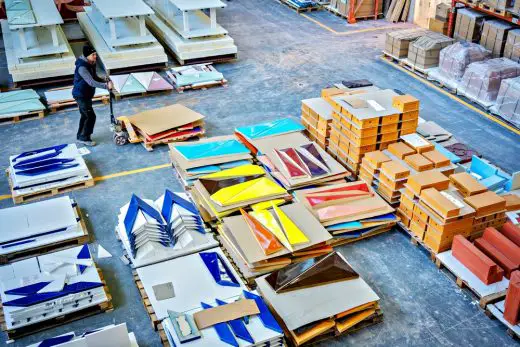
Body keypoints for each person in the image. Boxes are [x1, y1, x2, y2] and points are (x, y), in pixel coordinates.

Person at [72, 45, 113, 146]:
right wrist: (106, 86)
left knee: (85, 115)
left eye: (95, 54)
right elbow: (91, 82)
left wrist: (104, 80)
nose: (95, 56)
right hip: (81, 95)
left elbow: (94, 77)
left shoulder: (91, 63)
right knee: (90, 116)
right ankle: (84, 138)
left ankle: (81, 136)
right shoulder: (82, 67)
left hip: (86, 94)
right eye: (93, 55)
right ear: (87, 55)